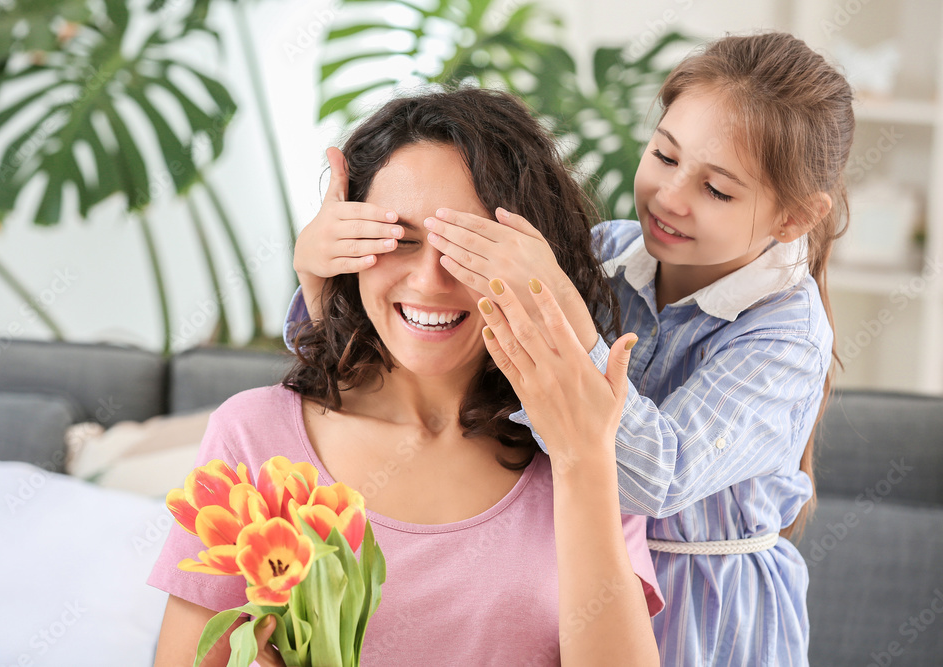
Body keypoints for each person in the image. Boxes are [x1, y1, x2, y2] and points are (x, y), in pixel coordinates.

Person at [292, 32, 855, 665]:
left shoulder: (787, 338)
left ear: (793, 218)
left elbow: (653, 480)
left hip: (706, 615)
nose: (670, 197)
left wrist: (560, 308)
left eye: (717, 190)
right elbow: (433, 349)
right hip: (574, 586)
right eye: (664, 156)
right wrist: (320, 273)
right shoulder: (608, 250)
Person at [148, 87, 665, 667]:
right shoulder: (252, 436)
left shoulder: (590, 444)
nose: (428, 281)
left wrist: (582, 459)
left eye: (469, 250)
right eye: (399, 240)